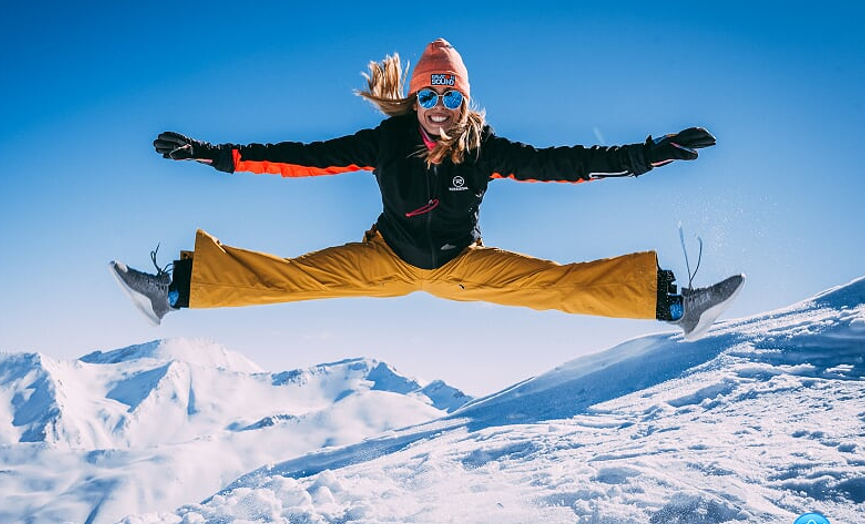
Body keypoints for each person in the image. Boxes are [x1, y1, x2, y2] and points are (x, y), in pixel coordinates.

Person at [111, 38, 744, 341]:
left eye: (451, 95)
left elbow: (568, 162)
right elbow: (301, 159)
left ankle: (672, 305)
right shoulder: (386, 143)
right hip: (384, 258)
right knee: (294, 276)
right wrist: (215, 154)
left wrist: (652, 154)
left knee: (555, 281)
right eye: (428, 94)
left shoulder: (486, 149)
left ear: (465, 101)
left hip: (461, 265)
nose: (439, 106)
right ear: (414, 99)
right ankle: (174, 290)